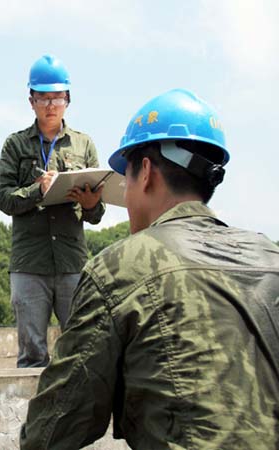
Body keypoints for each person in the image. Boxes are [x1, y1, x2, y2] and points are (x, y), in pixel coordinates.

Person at [20, 88, 279, 449]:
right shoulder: (270, 259)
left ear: (145, 172)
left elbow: (49, 434)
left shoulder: (119, 269)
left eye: (124, 179)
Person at [0, 54, 104, 368]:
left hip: (72, 261)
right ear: (31, 101)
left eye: (57, 97)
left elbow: (97, 214)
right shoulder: (14, 145)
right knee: (32, 355)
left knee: (80, 352)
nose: (50, 104)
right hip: (30, 263)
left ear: (68, 100)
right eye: (43, 97)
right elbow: (3, 198)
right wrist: (37, 191)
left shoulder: (83, 145)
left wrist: (90, 204)